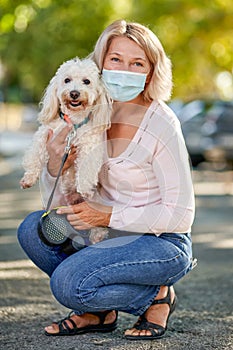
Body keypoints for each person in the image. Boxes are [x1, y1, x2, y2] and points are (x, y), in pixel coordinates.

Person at [17, 19, 196, 340]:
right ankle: (99, 310)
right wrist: (57, 163)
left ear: (151, 72)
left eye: (137, 63)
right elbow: (57, 200)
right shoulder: (89, 110)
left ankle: (156, 298)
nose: (124, 69)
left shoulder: (162, 123)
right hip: (107, 232)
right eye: (116, 59)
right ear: (100, 64)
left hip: (161, 241)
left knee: (68, 285)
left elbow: (182, 214)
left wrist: (108, 215)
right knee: (34, 230)